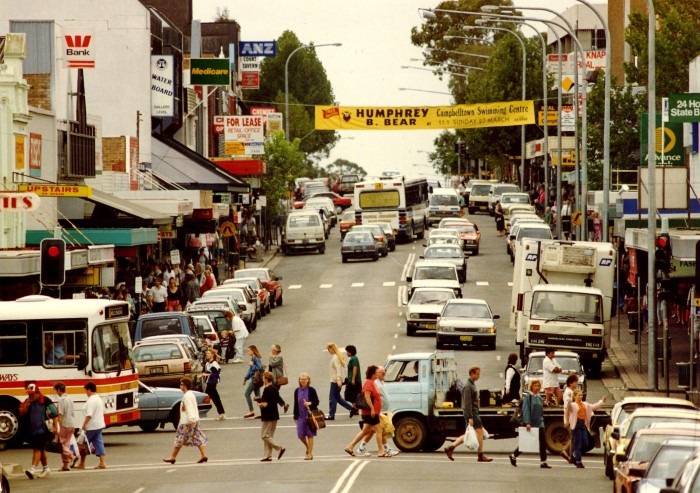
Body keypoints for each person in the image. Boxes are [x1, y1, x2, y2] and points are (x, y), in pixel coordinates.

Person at [444, 365, 492, 462]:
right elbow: (467, 403)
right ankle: (480, 455)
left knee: (469, 434)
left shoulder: (472, 384)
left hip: (473, 412)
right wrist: (470, 417)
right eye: (477, 374)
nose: (479, 376)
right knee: (479, 433)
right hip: (472, 413)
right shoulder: (468, 386)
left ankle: (450, 447)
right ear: (472, 374)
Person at [344, 365, 388, 457]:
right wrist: (372, 408)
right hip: (370, 412)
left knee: (365, 431)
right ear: (372, 374)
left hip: (372, 411)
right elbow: (367, 397)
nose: (377, 374)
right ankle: (381, 451)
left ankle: (350, 446)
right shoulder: (368, 383)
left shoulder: (372, 382)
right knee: (378, 430)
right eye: (376, 372)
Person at [355, 366, 400, 457]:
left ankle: (359, 447)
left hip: (380, 410)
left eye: (385, 372)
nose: (384, 374)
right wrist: (373, 409)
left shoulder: (380, 382)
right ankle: (384, 450)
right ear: (375, 374)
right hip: (378, 411)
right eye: (382, 373)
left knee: (370, 431)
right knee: (380, 430)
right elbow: (369, 397)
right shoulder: (373, 383)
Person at [162, 377, 209, 464]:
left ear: (185, 386)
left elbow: (189, 408)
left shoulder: (187, 396)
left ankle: (172, 457)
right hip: (195, 420)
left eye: (181, 384)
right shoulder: (191, 394)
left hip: (187, 422)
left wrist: (191, 419)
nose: (180, 386)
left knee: (179, 440)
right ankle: (204, 455)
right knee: (197, 437)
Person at [509, 379, 551, 469]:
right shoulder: (528, 397)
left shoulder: (539, 397)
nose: (537, 387)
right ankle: (513, 455)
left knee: (543, 442)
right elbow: (526, 410)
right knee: (527, 442)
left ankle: (543, 461)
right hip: (531, 422)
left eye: (538, 386)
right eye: (535, 386)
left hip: (539, 422)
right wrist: (527, 422)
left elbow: (540, 409)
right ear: (531, 387)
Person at [20, 382, 58, 479]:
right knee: (41, 449)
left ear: (37, 393)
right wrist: (27, 405)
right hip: (33, 431)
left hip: (43, 430)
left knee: (37, 449)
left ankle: (32, 469)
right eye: (29, 394)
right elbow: (21, 413)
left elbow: (54, 413)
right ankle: (46, 468)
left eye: (32, 394)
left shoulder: (45, 400)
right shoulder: (28, 401)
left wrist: (56, 428)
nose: (30, 396)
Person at [566, 389, 606, 468]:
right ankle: (578, 462)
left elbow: (594, 407)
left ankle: (574, 454)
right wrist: (569, 399)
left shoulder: (585, 404)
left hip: (583, 425)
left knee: (585, 443)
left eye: (581, 395)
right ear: (575, 396)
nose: (581, 397)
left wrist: (601, 401)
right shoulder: (573, 405)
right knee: (578, 444)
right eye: (579, 395)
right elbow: (568, 407)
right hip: (576, 425)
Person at [256, 371, 286, 461]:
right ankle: (267, 455)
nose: (262, 379)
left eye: (263, 378)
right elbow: (275, 399)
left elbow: (265, 404)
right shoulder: (274, 388)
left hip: (268, 415)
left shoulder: (266, 389)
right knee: (269, 436)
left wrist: (259, 403)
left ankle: (279, 448)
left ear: (266, 379)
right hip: (274, 415)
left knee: (264, 436)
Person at [78, 381, 106, 470]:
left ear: (89, 390)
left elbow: (89, 414)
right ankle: (102, 462)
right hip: (99, 424)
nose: (86, 393)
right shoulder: (98, 398)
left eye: (86, 390)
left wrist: (84, 424)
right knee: (98, 442)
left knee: (83, 444)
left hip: (92, 426)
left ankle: (82, 463)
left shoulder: (91, 400)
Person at [293, 372, 320, 460]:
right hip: (300, 415)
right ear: (299, 380)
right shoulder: (297, 391)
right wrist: (295, 415)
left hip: (310, 415)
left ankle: (310, 453)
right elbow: (295, 404)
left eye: (305, 379)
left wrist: (310, 403)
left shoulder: (312, 390)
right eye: (301, 379)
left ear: (308, 380)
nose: (303, 381)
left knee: (310, 434)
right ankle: (308, 448)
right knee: (300, 435)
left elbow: (316, 402)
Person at [53, 382, 78, 471]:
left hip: (64, 424)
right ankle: (66, 465)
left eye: (56, 390)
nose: (56, 392)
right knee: (66, 444)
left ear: (59, 390)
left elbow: (60, 415)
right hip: (71, 424)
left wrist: (57, 426)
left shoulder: (61, 400)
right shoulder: (70, 399)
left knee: (60, 445)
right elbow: (72, 413)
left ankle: (72, 456)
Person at [326, 342, 354, 420]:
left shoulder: (335, 357)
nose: (328, 351)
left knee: (332, 398)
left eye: (329, 349)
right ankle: (352, 408)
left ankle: (331, 415)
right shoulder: (339, 356)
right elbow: (342, 369)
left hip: (335, 380)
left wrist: (338, 379)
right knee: (337, 397)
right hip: (338, 379)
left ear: (332, 348)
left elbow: (338, 369)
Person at [560, 374, 580, 463]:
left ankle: (566, 452)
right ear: (571, 383)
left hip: (573, 417)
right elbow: (567, 407)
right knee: (574, 438)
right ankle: (570, 455)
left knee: (574, 437)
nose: (577, 384)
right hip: (570, 417)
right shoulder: (569, 393)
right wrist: (567, 421)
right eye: (576, 382)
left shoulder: (571, 391)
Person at [202, 348, 226, 420]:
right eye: (206, 353)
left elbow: (216, 373)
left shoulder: (214, 363)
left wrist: (206, 375)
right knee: (214, 398)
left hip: (212, 382)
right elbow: (206, 372)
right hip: (208, 382)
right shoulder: (207, 363)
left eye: (208, 353)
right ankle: (221, 413)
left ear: (212, 354)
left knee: (206, 397)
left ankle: (221, 413)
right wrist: (202, 375)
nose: (207, 355)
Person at [243, 345, 264, 418]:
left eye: (249, 350)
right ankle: (262, 412)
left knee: (247, 394)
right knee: (258, 396)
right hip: (256, 380)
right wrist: (245, 378)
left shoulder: (255, 359)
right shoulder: (253, 358)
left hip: (255, 380)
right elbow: (250, 370)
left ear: (253, 351)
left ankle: (251, 411)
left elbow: (260, 368)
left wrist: (252, 365)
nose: (248, 352)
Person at [268, 344, 289, 413]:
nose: (271, 351)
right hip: (273, 378)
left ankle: (277, 407)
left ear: (277, 350)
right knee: (274, 393)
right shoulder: (275, 356)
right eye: (271, 349)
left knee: (273, 392)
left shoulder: (279, 357)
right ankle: (284, 404)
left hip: (277, 378)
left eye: (273, 349)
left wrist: (270, 357)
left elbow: (273, 364)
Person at [344, 345, 361, 418]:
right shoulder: (353, 358)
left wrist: (353, 378)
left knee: (350, 395)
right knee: (352, 395)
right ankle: (355, 408)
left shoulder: (354, 359)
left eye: (347, 352)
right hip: (351, 380)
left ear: (350, 352)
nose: (346, 353)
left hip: (354, 381)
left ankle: (355, 408)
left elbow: (355, 368)